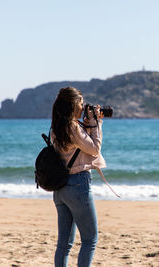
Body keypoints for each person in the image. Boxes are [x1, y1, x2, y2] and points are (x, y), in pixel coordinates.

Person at [50, 86, 106, 267]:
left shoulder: (56, 127)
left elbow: (82, 147)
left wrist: (89, 123)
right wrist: (96, 124)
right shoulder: (73, 127)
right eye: (80, 103)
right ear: (73, 104)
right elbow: (94, 149)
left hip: (60, 188)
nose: (82, 107)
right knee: (90, 240)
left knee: (64, 245)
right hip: (78, 185)